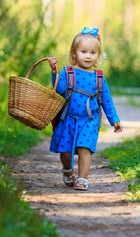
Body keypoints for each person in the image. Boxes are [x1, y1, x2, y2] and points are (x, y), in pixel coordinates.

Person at [48, 26, 123, 191]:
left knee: (85, 149)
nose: (88, 56)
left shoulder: (99, 78)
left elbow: (106, 100)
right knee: (65, 151)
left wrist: (114, 119)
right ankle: (68, 170)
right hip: (68, 118)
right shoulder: (68, 73)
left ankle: (82, 179)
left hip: (89, 120)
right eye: (83, 52)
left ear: (98, 55)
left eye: (92, 52)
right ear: (74, 53)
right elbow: (58, 90)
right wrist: (54, 72)